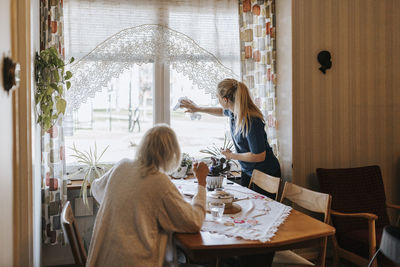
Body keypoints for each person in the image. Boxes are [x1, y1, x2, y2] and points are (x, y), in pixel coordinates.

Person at [86, 124, 209, 267]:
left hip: (103, 260)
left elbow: (96, 188)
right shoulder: (159, 181)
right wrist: (201, 183)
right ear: (171, 153)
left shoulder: (122, 166)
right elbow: (194, 222)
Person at [180, 78, 281, 193]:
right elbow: (220, 111)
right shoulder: (234, 112)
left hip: (265, 173)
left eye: (218, 97)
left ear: (225, 100)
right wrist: (197, 108)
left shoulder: (251, 121)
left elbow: (259, 156)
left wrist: (231, 155)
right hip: (249, 170)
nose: (217, 100)